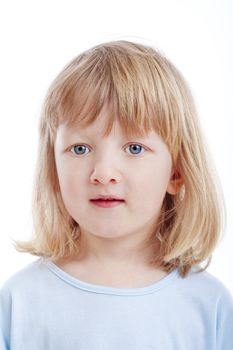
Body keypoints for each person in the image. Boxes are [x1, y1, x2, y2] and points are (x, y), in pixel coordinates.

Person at [0, 40, 233, 350]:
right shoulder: (20, 301)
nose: (103, 172)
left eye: (134, 148)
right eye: (80, 148)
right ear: (54, 170)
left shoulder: (209, 306)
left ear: (176, 172)